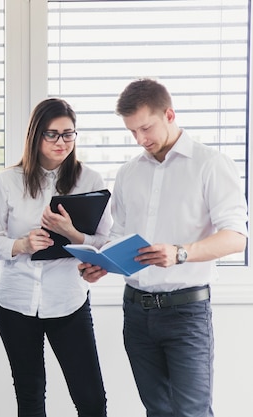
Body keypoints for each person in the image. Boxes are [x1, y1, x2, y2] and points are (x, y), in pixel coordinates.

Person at [81, 78, 249, 417]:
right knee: (157, 411)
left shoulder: (210, 164)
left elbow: (236, 236)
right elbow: (122, 236)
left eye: (146, 128)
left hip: (185, 312)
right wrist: (103, 263)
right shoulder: (128, 173)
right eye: (132, 132)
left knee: (192, 412)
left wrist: (180, 252)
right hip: (136, 312)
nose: (141, 140)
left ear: (169, 114)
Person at [0, 98, 110, 417]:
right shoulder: (8, 181)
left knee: (91, 398)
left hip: (68, 300)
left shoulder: (89, 180)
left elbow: (104, 242)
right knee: (30, 395)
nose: (61, 142)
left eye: (68, 134)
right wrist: (22, 244)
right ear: (36, 136)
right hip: (15, 301)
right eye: (52, 134)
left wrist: (72, 233)